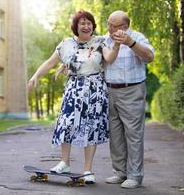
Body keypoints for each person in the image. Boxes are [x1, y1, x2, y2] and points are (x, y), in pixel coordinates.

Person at [27, 11, 121, 184]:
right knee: (66, 123)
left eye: (89, 23)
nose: (86, 26)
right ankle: (64, 162)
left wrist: (116, 46)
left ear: (93, 25)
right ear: (76, 27)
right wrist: (35, 76)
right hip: (74, 89)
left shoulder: (100, 42)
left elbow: (110, 58)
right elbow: (49, 62)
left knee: (90, 128)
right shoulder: (66, 44)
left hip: (95, 90)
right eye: (82, 23)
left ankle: (88, 170)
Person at [104, 11, 154, 188]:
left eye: (113, 25)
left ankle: (135, 176)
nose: (109, 28)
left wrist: (130, 43)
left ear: (124, 27)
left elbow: (149, 57)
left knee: (133, 134)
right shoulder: (105, 40)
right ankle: (120, 172)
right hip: (109, 91)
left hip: (132, 90)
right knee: (115, 134)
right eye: (108, 24)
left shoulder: (137, 37)